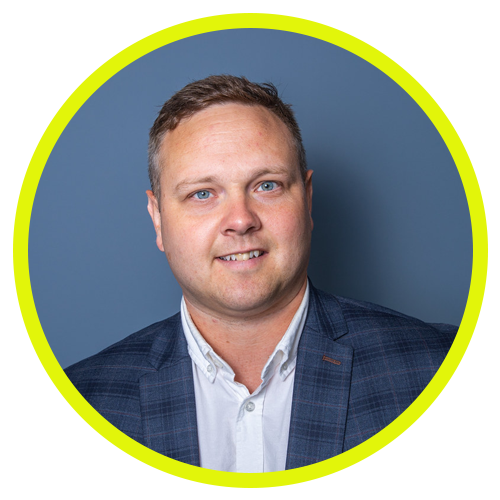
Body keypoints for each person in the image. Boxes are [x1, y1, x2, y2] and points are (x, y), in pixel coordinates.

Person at [65, 75, 457, 472]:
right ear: (158, 219)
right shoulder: (80, 403)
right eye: (202, 193)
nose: (240, 220)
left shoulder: (443, 368)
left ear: (307, 200)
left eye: (267, 185)